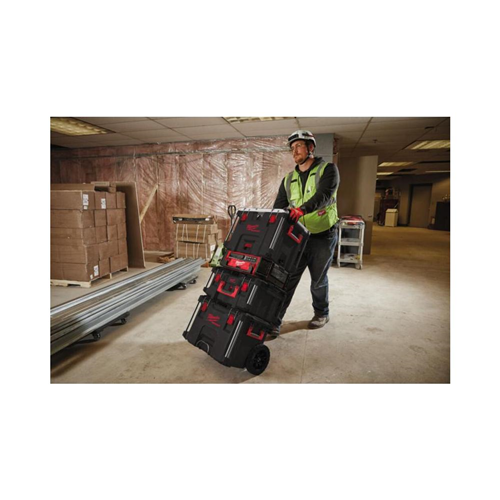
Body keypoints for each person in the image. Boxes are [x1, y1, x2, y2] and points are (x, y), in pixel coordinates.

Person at [270, 130, 340, 337]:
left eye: (299, 146)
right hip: (298, 237)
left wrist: (301, 210)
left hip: (323, 234)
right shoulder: (288, 179)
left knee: (318, 279)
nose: (294, 151)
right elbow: (279, 207)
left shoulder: (328, 170)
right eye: (292, 148)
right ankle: (274, 321)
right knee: (287, 280)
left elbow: (324, 195)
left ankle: (321, 313)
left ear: (310, 147)